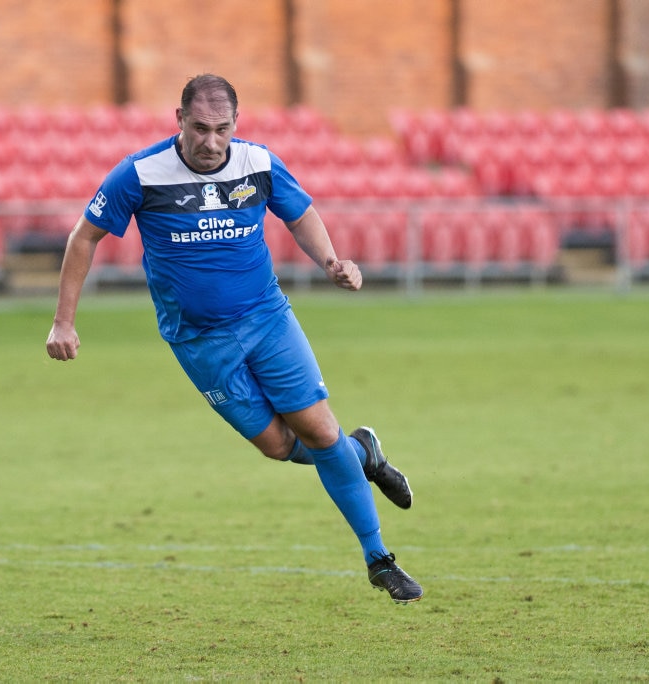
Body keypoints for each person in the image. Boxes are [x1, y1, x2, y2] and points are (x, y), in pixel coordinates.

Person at [46, 74, 422, 603]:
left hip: (267, 320)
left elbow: (301, 214)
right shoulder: (141, 174)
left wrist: (331, 262)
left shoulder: (259, 164)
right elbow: (84, 236)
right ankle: (363, 454)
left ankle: (378, 557)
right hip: (199, 342)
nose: (211, 142)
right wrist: (64, 320)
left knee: (316, 429)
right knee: (278, 445)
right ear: (179, 121)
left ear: (236, 125)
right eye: (200, 128)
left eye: (222, 129)